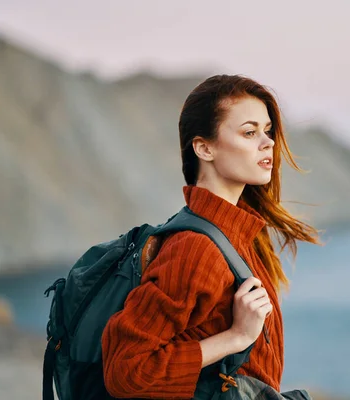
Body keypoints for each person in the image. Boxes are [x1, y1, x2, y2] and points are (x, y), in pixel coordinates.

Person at [101, 74, 320, 399]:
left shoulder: (238, 233)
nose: (269, 143)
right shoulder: (195, 247)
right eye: (249, 132)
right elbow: (126, 372)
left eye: (268, 131)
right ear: (204, 148)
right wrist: (236, 337)